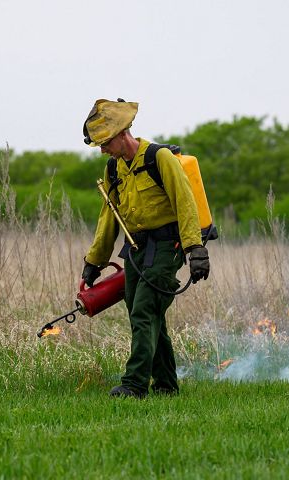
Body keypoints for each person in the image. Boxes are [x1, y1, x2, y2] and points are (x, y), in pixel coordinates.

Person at [81, 98, 210, 398]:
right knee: (150, 316)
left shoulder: (159, 157)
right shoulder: (113, 168)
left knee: (144, 309)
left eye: (105, 142)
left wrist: (196, 250)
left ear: (122, 133)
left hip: (169, 246)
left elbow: (185, 203)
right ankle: (166, 385)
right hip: (136, 250)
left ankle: (135, 384)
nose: (102, 150)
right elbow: (108, 217)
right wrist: (94, 262)